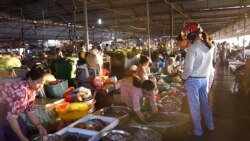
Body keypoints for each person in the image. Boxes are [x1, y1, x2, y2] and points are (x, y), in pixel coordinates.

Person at [181, 23, 214, 136]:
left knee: (194, 106)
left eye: (186, 33)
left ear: (191, 34)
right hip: (204, 79)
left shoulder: (192, 48)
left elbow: (188, 68)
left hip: (193, 80)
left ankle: (198, 131)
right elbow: (210, 65)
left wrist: (183, 78)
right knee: (205, 103)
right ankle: (210, 125)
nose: (185, 35)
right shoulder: (210, 46)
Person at [0, 66, 47, 141]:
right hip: (2, 111)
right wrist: (21, 137)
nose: (41, 86)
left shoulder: (32, 90)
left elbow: (29, 111)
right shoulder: (21, 92)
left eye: (43, 83)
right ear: (30, 80)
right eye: (38, 83)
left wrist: (40, 127)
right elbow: (11, 117)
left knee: (23, 131)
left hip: (7, 111)